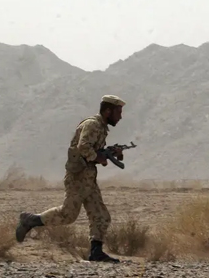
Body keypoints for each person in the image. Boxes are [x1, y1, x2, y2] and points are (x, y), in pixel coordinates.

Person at [15, 95, 126, 263]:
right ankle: (31, 220)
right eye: (118, 112)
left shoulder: (101, 127)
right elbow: (83, 147)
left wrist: (109, 153)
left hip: (88, 178)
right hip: (77, 177)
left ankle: (96, 252)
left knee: (101, 215)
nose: (120, 116)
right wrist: (99, 157)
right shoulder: (92, 124)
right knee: (68, 215)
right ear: (108, 111)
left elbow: (92, 151)